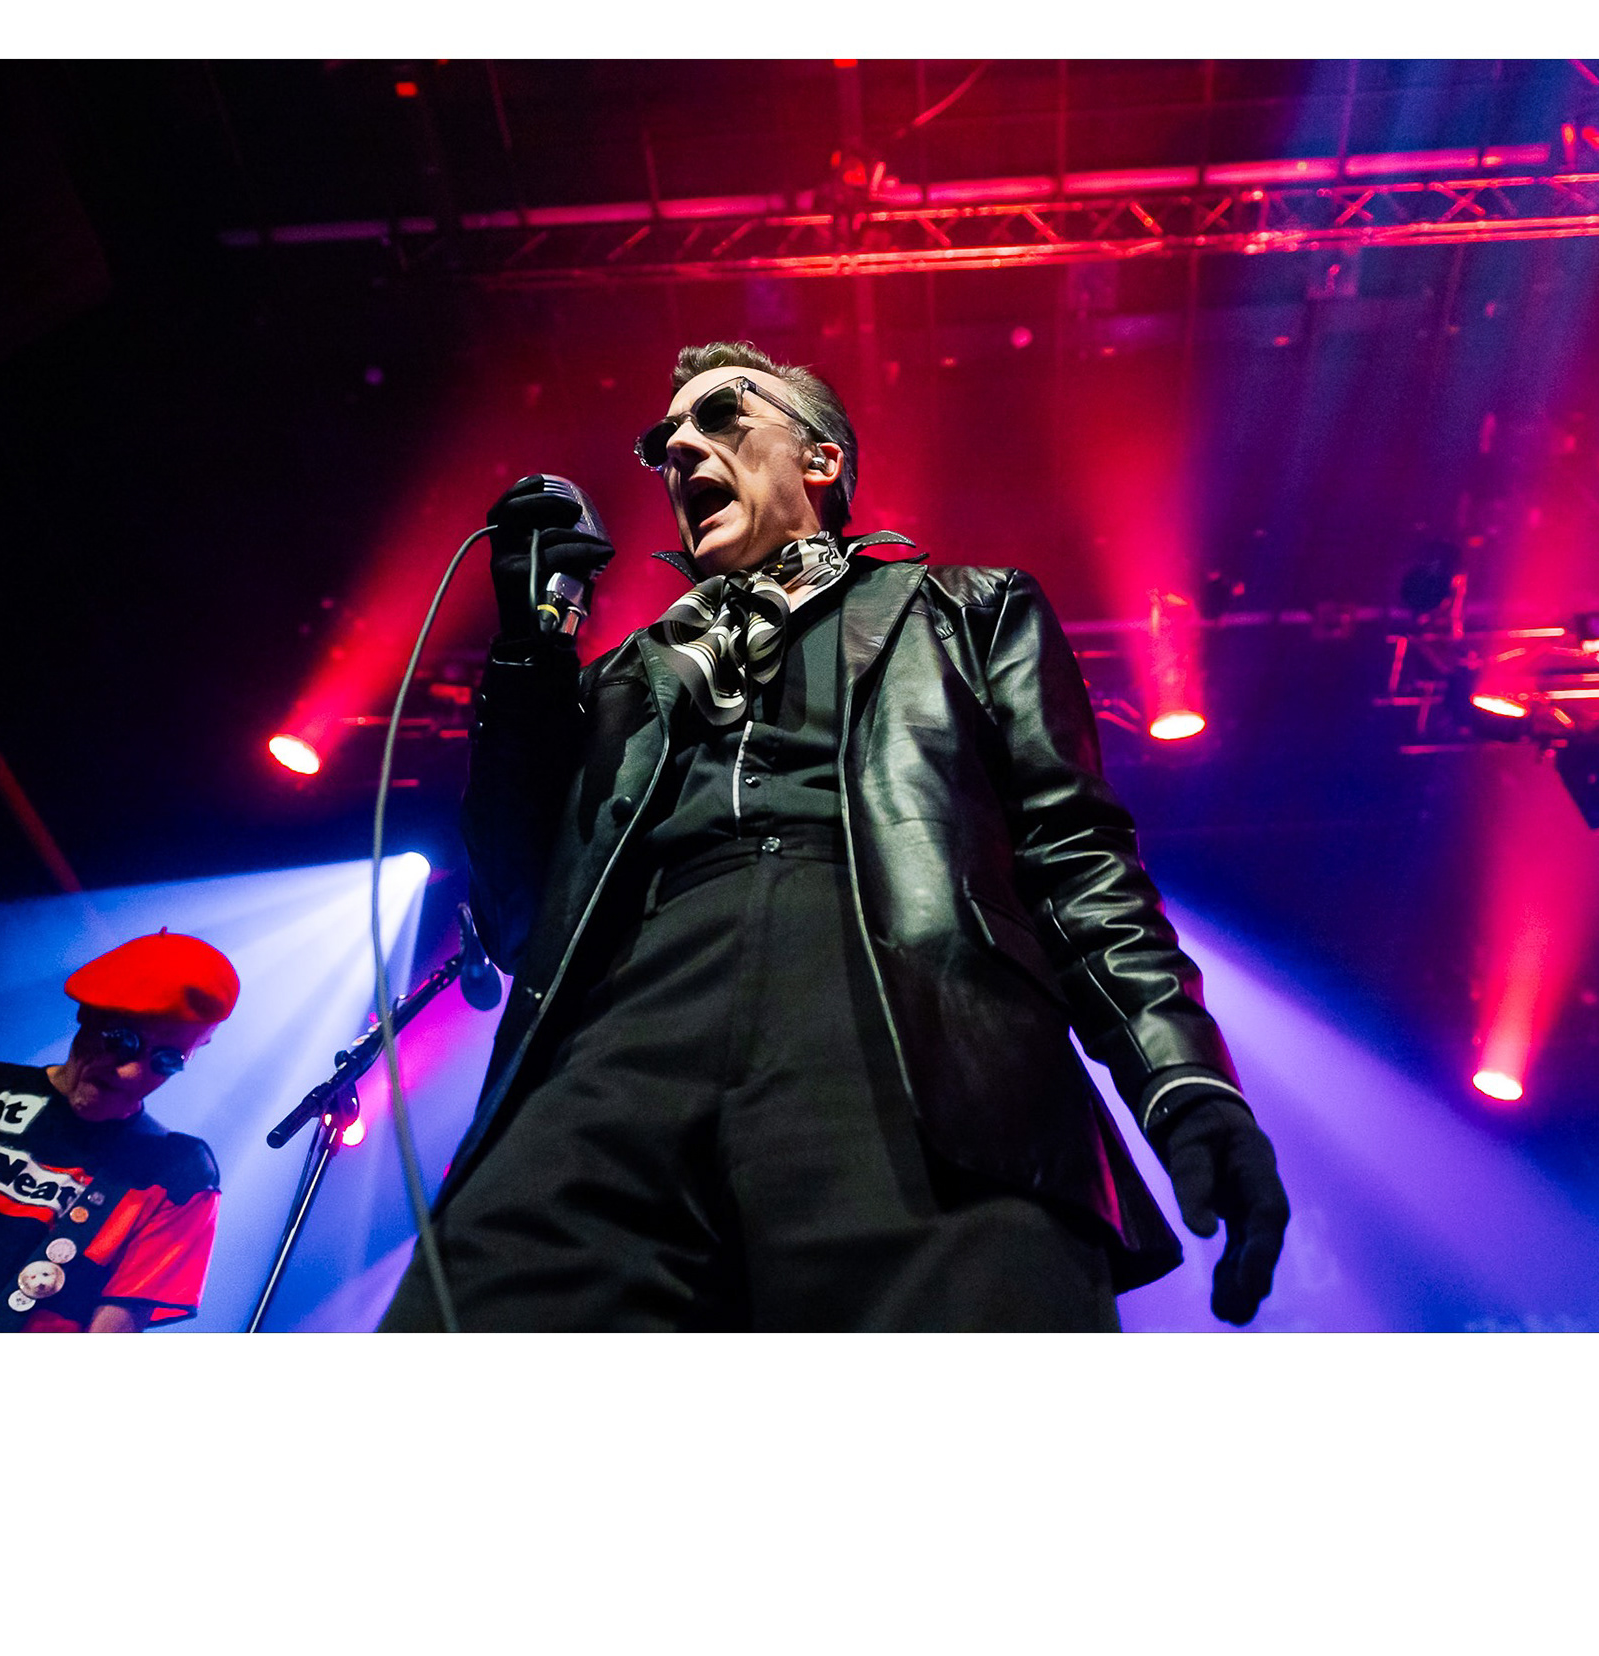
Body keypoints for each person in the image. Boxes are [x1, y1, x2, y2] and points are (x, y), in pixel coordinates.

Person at [381, 341, 1289, 1332]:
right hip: (622, 1039)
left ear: (820, 462)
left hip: (907, 1029)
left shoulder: (967, 612)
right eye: (663, 441)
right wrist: (530, 655)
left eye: (720, 416)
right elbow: (520, 921)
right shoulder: (618, 685)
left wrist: (1185, 1080)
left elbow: (1076, 859)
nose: (679, 449)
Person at [0, 930, 235, 1332]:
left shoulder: (177, 1174)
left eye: (167, 1060)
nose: (133, 1073)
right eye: (124, 1042)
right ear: (89, 1015)